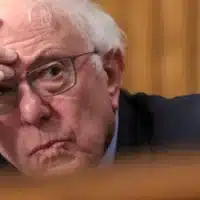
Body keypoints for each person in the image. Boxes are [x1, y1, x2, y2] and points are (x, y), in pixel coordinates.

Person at [0, 0, 200, 177]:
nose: (32, 112)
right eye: (2, 90)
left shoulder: (191, 142)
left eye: (52, 72)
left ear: (109, 73)